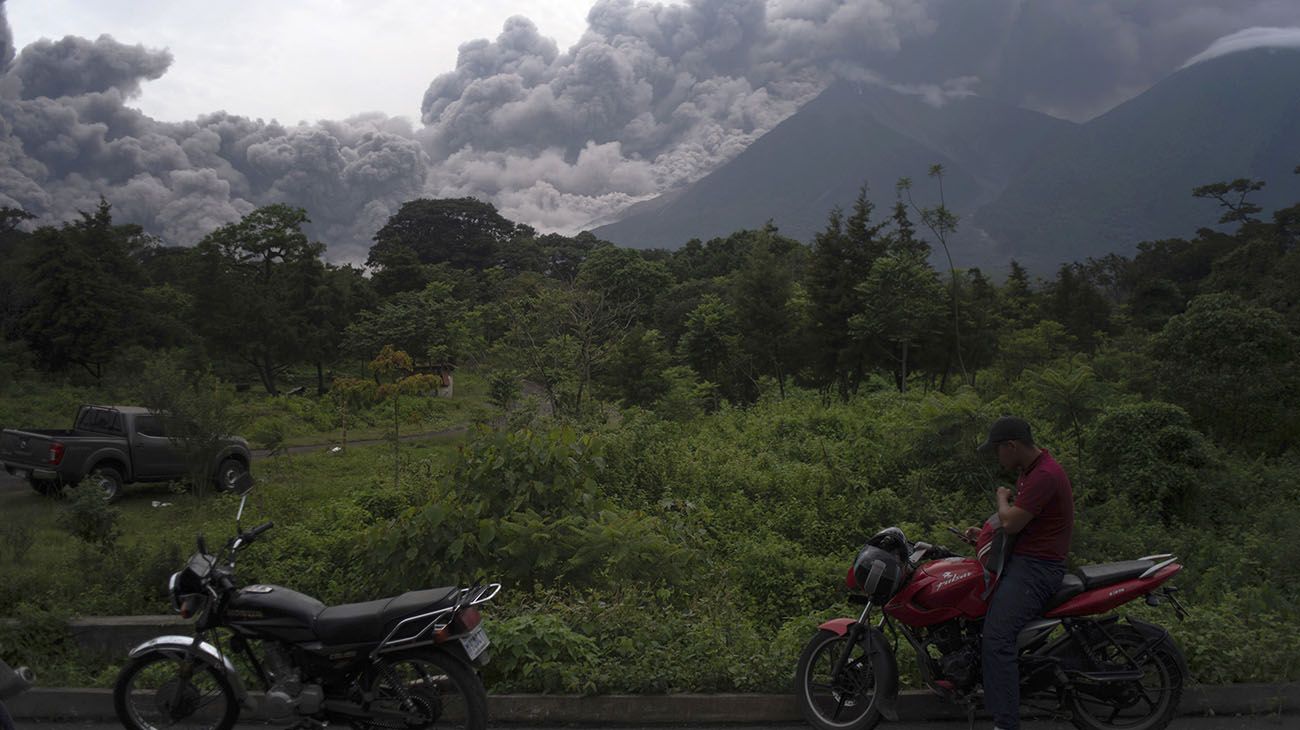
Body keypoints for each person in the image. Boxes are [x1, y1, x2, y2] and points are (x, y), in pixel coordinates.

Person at [967, 416, 1074, 730]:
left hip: (1037, 570)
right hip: (1026, 561)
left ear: (1011, 446)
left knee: (997, 638)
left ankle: (1006, 724)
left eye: (998, 450)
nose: (997, 457)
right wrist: (985, 533)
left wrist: (1002, 498)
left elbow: (1012, 522)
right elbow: (1020, 524)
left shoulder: (1044, 475)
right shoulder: (1032, 472)